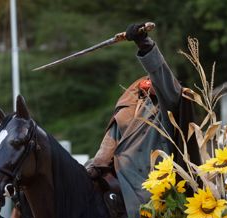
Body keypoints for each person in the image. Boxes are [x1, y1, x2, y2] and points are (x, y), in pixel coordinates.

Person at [86, 23, 201, 218]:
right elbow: (109, 144)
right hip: (122, 188)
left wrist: (145, 45)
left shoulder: (168, 106)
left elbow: (161, 73)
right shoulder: (127, 104)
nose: (151, 82)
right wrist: (91, 169)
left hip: (157, 190)